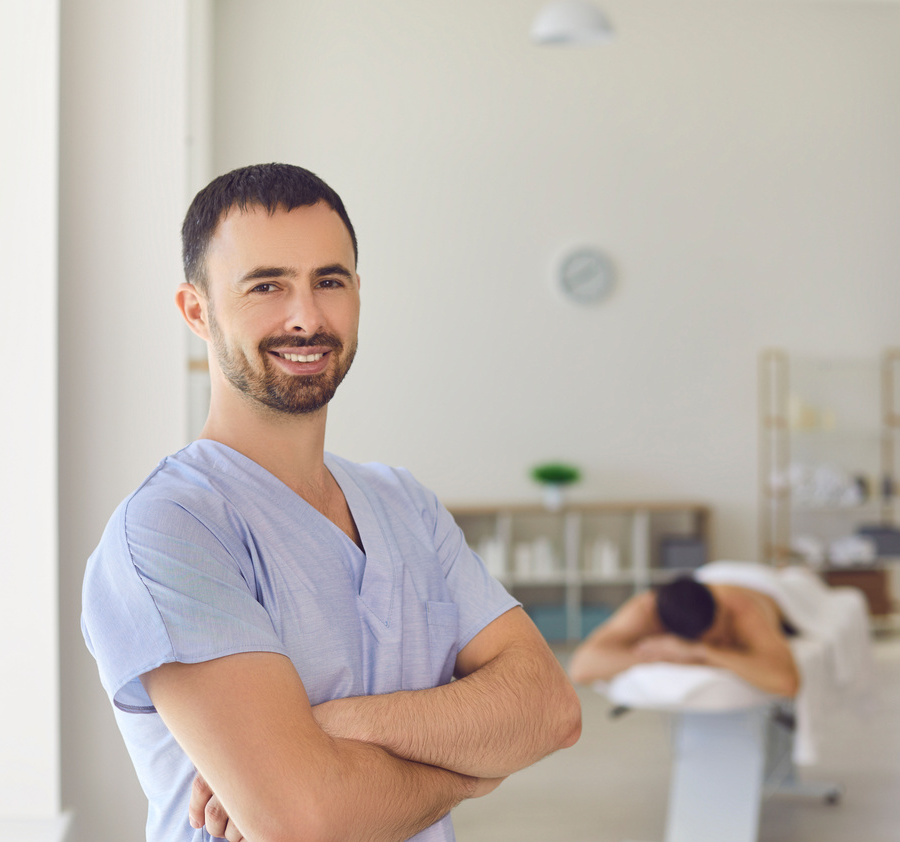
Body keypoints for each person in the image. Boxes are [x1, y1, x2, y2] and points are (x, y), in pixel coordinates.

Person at [81, 163, 582, 842]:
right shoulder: (171, 528)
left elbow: (550, 711)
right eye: (266, 285)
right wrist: (474, 767)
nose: (307, 317)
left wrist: (335, 726)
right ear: (196, 311)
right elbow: (306, 822)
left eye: (329, 281)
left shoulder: (404, 504)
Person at [567, 573, 800, 697]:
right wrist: (667, 654)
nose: (723, 644)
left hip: (775, 588)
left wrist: (701, 652)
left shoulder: (740, 608)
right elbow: (582, 668)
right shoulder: (647, 610)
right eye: (707, 640)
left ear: (721, 611)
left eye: (718, 639)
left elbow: (787, 683)